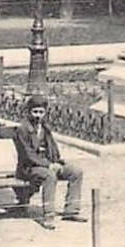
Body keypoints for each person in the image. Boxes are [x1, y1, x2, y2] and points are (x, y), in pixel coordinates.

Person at [12, 94, 84, 229]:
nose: (38, 115)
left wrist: (57, 162)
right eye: (35, 112)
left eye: (41, 112)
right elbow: (27, 155)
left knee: (76, 172)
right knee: (49, 176)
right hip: (29, 168)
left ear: (45, 112)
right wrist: (49, 165)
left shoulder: (45, 128)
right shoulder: (22, 130)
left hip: (49, 164)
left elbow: (53, 147)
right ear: (28, 112)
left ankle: (71, 210)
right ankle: (48, 216)